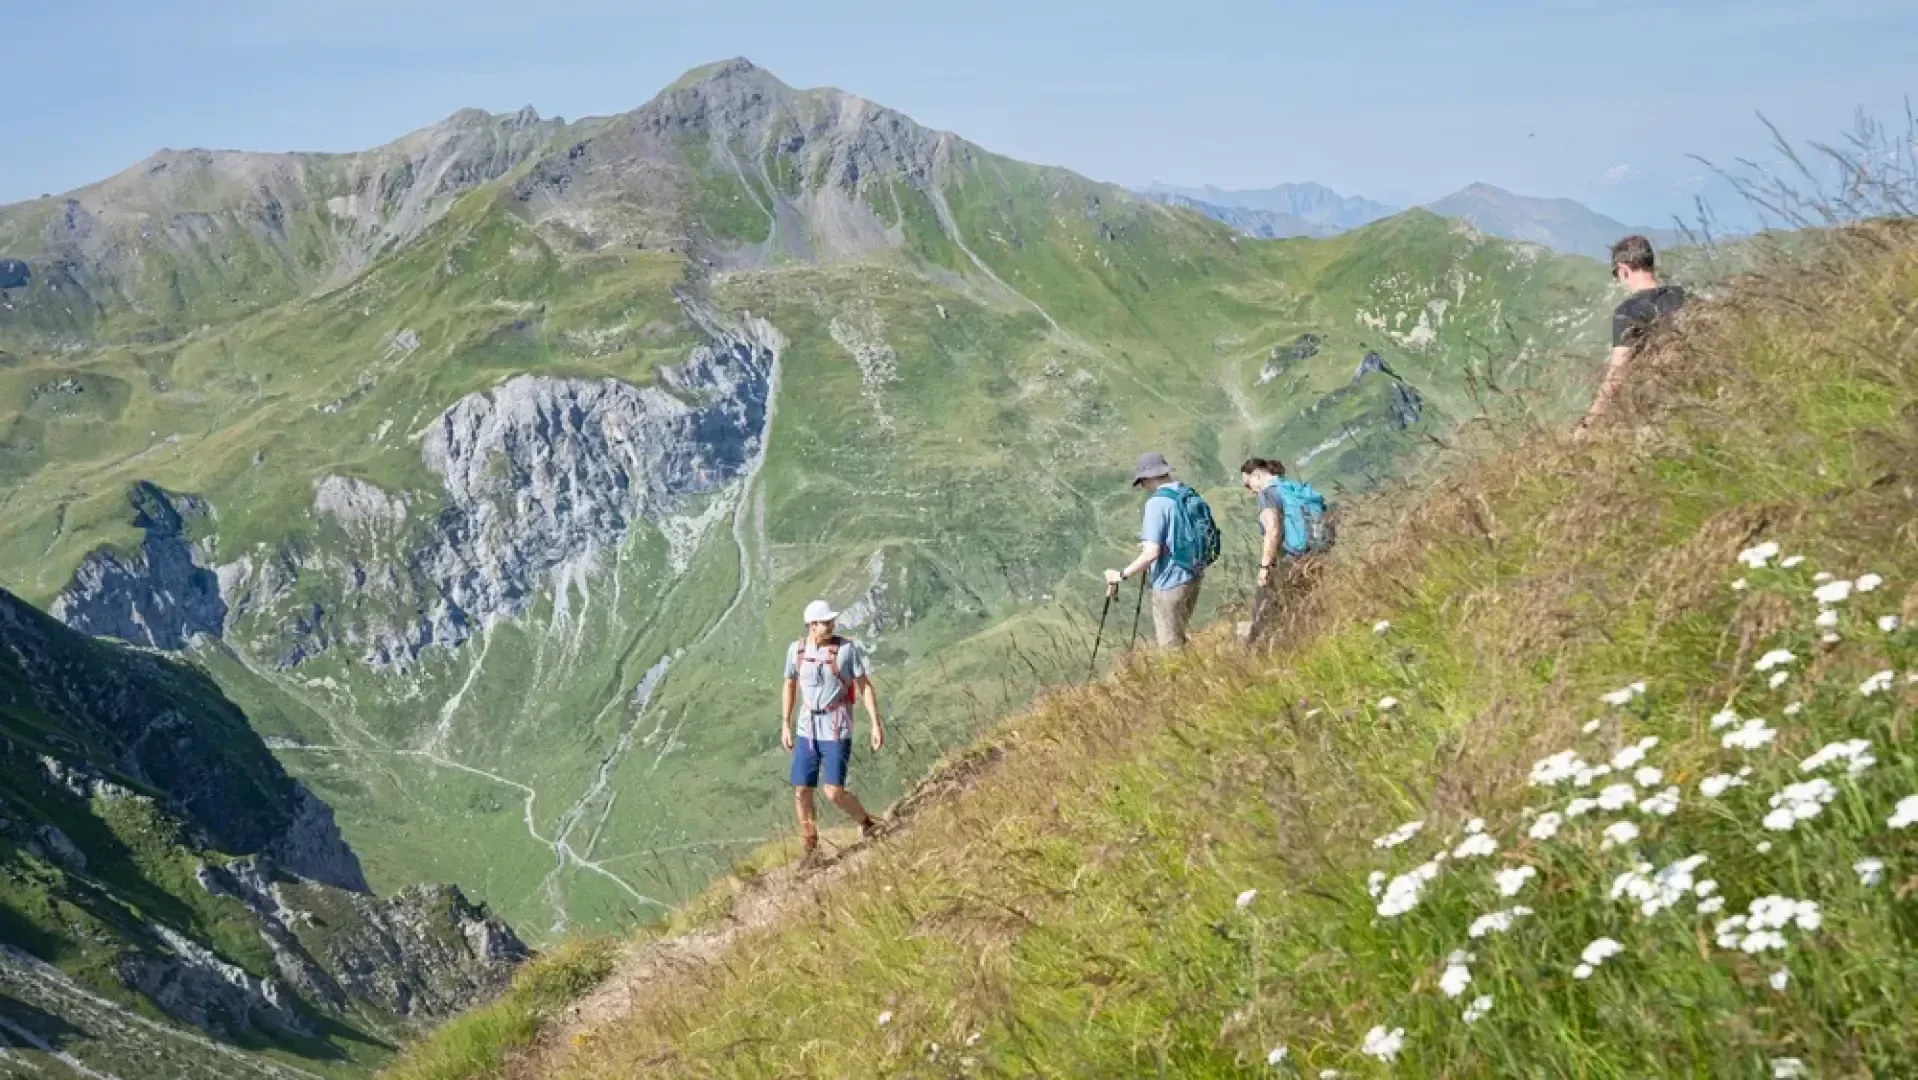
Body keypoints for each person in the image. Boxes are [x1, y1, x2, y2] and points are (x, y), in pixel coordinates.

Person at [779, 600, 884, 858]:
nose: (830, 626)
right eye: (824, 622)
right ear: (811, 626)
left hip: (836, 728)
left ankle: (867, 824)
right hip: (807, 728)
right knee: (802, 789)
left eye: (830, 621)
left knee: (833, 792)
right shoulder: (796, 651)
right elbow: (789, 684)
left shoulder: (846, 650)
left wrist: (875, 724)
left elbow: (864, 686)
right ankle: (811, 846)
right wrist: (786, 723)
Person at [1104, 451, 1218, 650]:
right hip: (1192, 574)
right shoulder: (1185, 492)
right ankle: (1193, 673)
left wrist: (1121, 575)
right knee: (1179, 634)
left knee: (1170, 647)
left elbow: (1151, 553)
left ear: (1148, 477)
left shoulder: (1157, 503)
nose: (1142, 487)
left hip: (1169, 583)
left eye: (1141, 481)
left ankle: (1181, 680)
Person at [1578, 234, 1686, 436]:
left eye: (1616, 274)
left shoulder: (1628, 311)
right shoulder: (1682, 295)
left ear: (1623, 270)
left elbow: (1616, 377)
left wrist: (1587, 425)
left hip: (1662, 409)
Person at [1239, 457, 1330, 643]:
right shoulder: (1291, 488)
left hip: (1291, 557)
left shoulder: (1267, 494)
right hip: (1314, 554)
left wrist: (1264, 568)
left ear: (1256, 476)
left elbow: (1273, 531)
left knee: (1265, 611)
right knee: (1304, 604)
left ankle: (1267, 651)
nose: (1250, 491)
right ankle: (1312, 640)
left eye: (1248, 485)